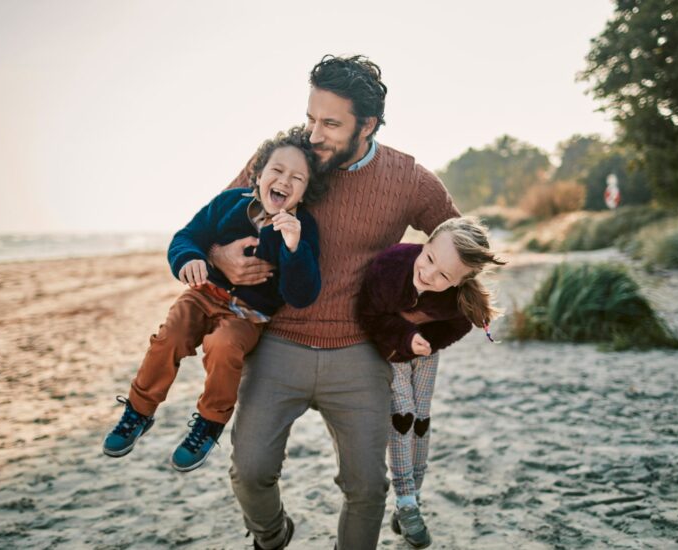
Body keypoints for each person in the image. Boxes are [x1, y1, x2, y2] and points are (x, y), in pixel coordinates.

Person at [212, 55, 461, 549]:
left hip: (360, 353)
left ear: (366, 124)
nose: (315, 133)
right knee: (250, 471)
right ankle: (270, 534)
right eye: (310, 118)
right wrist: (222, 257)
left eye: (330, 123)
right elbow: (214, 222)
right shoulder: (283, 162)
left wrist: (421, 313)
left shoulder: (408, 178)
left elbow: (461, 243)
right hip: (277, 343)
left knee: (367, 488)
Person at [102, 127, 326, 473]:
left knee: (222, 347)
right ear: (259, 174)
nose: (285, 180)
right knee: (169, 337)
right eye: (277, 171)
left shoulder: (301, 228)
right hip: (203, 295)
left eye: (297, 178)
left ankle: (209, 423)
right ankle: (138, 410)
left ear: (306, 190)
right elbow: (187, 237)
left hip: (247, 316)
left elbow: (302, 294)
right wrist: (192, 258)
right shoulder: (229, 203)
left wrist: (294, 247)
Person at [357, 217, 505, 548]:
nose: (428, 275)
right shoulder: (390, 267)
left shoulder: (456, 299)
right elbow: (369, 315)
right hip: (392, 349)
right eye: (429, 260)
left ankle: (414, 495)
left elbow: (458, 325)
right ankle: (406, 503)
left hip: (425, 351)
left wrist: (426, 340)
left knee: (421, 418)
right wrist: (404, 337)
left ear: (460, 281)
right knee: (403, 414)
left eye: (444, 277)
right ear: (426, 243)